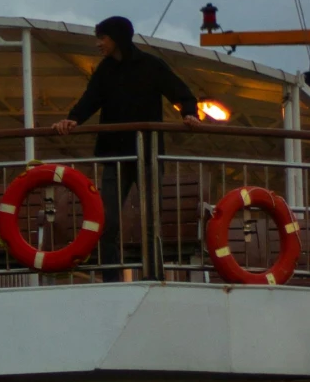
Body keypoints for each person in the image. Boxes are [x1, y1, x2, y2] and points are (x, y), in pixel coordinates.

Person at [53, 17, 200, 280]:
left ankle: (153, 274)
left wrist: (190, 113)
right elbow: (90, 100)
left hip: (147, 155)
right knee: (108, 220)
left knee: (152, 220)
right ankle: (111, 276)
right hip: (115, 155)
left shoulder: (151, 66)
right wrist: (72, 119)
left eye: (102, 38)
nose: (98, 44)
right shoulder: (105, 71)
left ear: (117, 38)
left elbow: (178, 90)